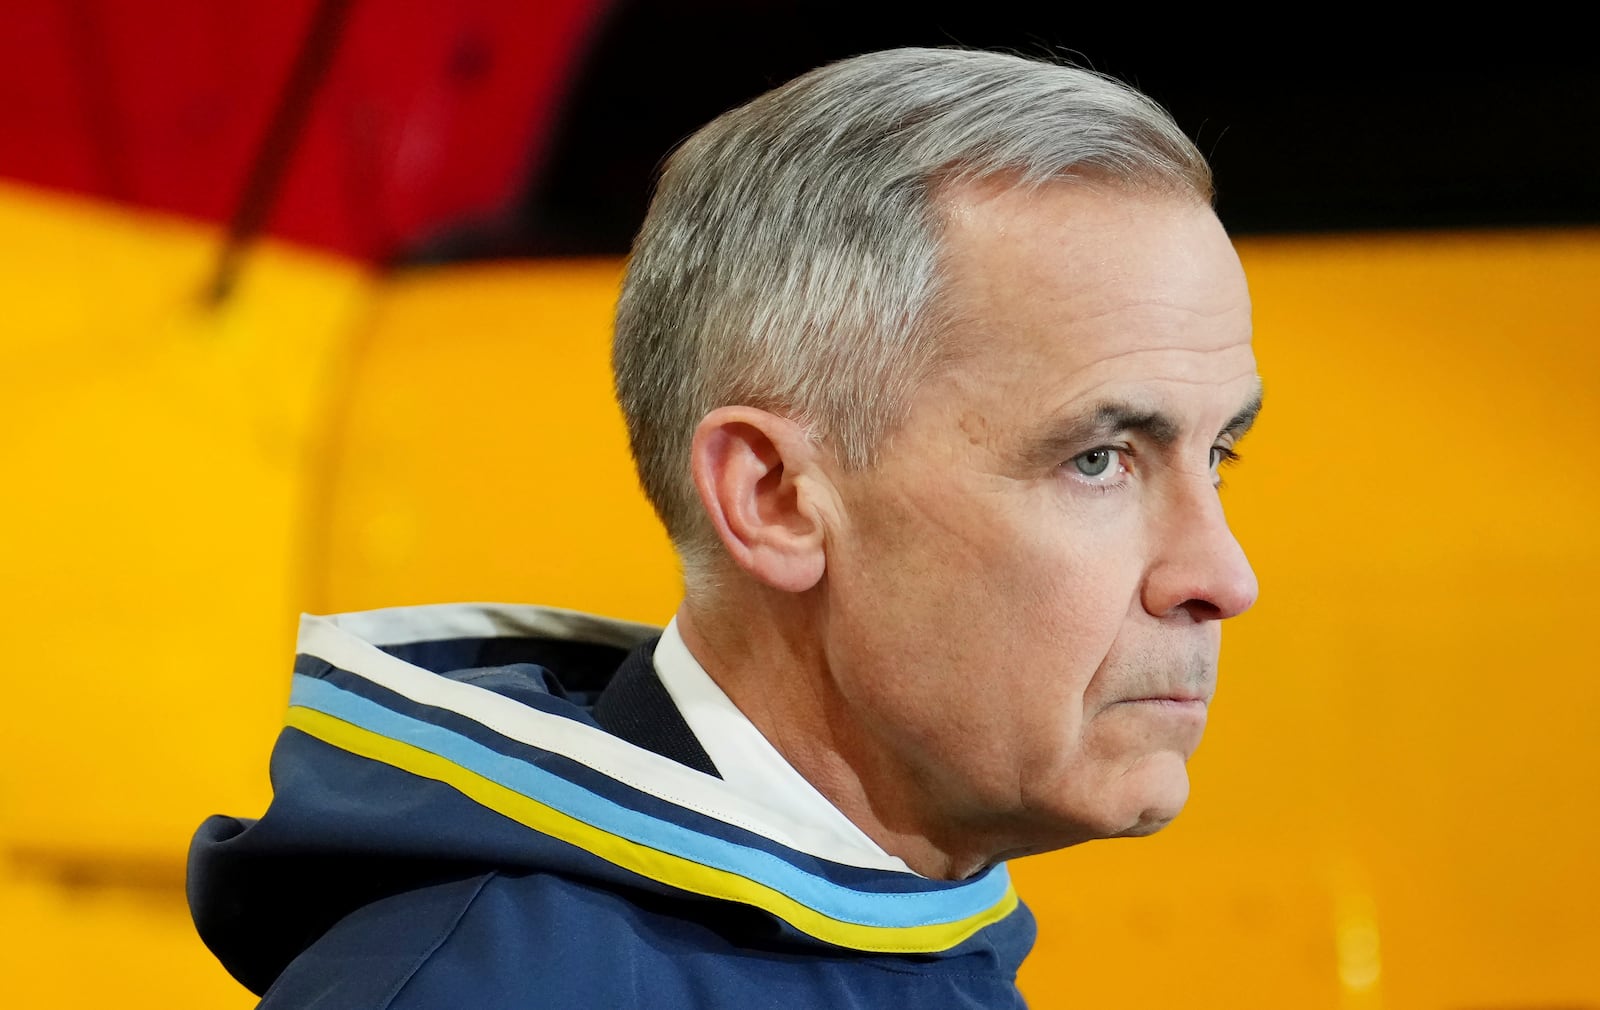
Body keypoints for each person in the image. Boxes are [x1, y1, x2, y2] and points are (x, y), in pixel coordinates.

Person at [189, 46, 1261, 1008]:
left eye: (1218, 455)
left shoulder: (916, 930)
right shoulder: (490, 985)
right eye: (1097, 459)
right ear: (774, 500)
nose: (1222, 573)